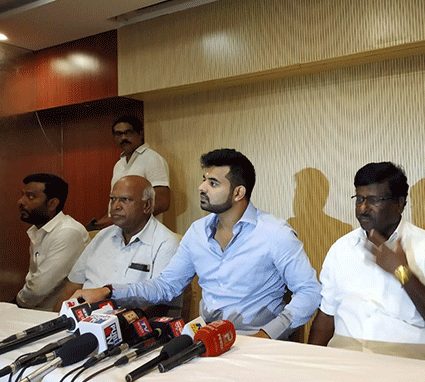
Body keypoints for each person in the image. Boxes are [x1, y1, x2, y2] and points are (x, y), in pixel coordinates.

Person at [72, 149, 321, 340]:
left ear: (238, 193)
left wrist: (267, 334)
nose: (202, 187)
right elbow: (167, 286)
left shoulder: (275, 234)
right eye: (204, 180)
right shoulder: (197, 232)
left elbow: (309, 292)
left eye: (213, 183)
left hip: (256, 342)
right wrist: (109, 292)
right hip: (206, 339)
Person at [308, 162, 425, 361]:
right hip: (344, 358)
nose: (363, 208)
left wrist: (401, 272)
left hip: (406, 361)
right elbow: (326, 316)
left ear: (399, 204)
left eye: (373, 200)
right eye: (359, 199)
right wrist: (309, 363)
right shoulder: (341, 248)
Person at [55, 175, 180, 314]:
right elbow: (74, 284)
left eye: (125, 200)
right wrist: (55, 318)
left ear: (147, 206)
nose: (115, 206)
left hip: (126, 323)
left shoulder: (166, 243)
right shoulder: (101, 236)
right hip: (80, 317)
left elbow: (158, 301)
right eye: (113, 199)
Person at [15, 173, 89, 311]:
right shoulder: (38, 229)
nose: (21, 201)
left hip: (55, 314)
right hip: (34, 310)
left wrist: (16, 303)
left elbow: (38, 289)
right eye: (22, 195)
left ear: (52, 204)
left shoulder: (68, 231)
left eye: (30, 197)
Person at [88, 115, 170, 230]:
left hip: (145, 233)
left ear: (140, 133)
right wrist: (104, 222)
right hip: (119, 233)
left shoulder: (152, 159)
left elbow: (162, 202)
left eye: (128, 132)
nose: (123, 138)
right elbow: (115, 201)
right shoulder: (119, 164)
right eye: (118, 134)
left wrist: (121, 218)